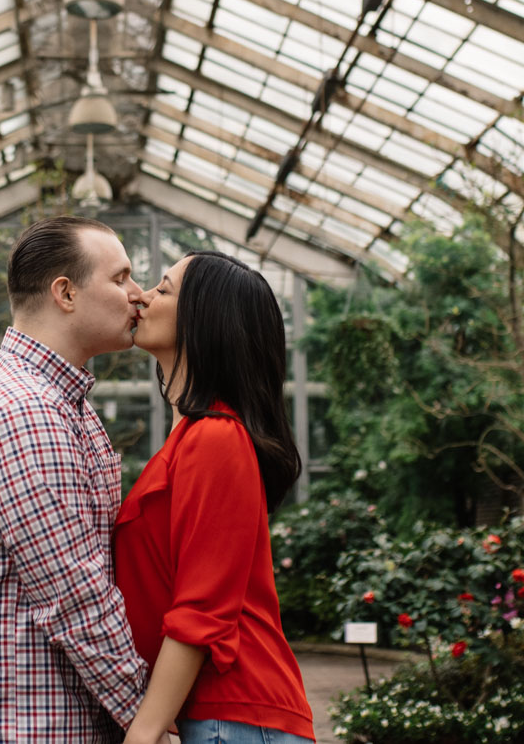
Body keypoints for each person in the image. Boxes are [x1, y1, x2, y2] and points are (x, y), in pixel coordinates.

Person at [0, 216, 156, 744]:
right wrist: (149, 720)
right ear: (65, 293)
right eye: (120, 279)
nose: (138, 295)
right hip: (15, 721)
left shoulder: (58, 402)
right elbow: (74, 592)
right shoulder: (30, 412)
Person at [114, 251, 315, 744]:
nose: (141, 295)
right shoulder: (194, 438)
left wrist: (143, 733)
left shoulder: (217, 437)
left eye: (163, 289)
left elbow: (202, 612)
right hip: (221, 717)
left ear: (205, 320)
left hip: (236, 712)